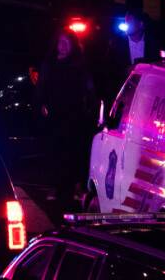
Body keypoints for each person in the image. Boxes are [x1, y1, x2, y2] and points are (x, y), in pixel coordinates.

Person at [36, 30, 95, 217]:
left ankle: (77, 186)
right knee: (55, 150)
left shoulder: (79, 65)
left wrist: (89, 106)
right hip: (55, 114)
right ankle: (55, 185)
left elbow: (89, 88)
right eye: (60, 42)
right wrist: (42, 105)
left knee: (75, 150)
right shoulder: (49, 64)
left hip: (75, 114)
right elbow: (41, 88)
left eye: (67, 42)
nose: (63, 46)